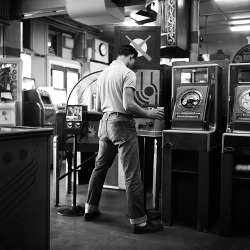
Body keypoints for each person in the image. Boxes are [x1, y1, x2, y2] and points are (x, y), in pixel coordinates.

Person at [84, 44, 165, 234]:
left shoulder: (103, 74)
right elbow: (129, 105)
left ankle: (90, 209)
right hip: (122, 124)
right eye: (134, 60)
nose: (133, 63)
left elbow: (97, 106)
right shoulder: (128, 73)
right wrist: (149, 113)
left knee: (99, 168)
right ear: (130, 56)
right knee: (132, 174)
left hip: (105, 123)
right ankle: (139, 222)